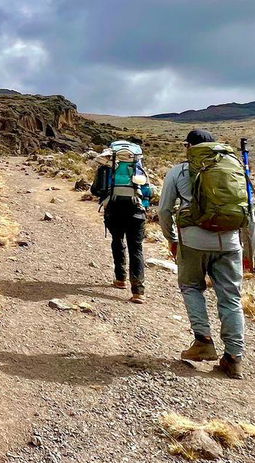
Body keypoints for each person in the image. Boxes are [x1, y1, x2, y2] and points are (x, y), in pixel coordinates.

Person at [158, 129, 246, 379]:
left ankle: (203, 341)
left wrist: (171, 239)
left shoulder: (178, 171)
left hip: (193, 241)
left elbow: (164, 210)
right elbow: (249, 212)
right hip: (230, 242)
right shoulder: (235, 168)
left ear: (189, 147)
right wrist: (249, 249)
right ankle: (234, 358)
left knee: (191, 287)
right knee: (231, 299)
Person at [92, 139, 152, 303]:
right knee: (136, 248)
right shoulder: (138, 168)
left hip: (114, 209)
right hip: (136, 211)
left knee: (117, 241)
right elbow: (148, 192)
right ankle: (138, 291)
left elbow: (95, 190)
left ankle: (121, 279)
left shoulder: (107, 168)